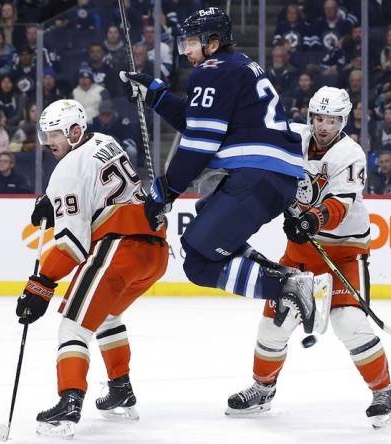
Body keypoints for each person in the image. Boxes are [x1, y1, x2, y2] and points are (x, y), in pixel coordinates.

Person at [120, 8, 326, 334]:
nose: (185, 50)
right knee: (202, 231)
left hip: (255, 175)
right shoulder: (238, 65)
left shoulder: (211, 71)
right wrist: (156, 96)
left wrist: (167, 188)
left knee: (199, 264)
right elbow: (197, 120)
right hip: (272, 175)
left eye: (190, 42)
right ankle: (286, 278)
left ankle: (288, 285)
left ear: (212, 44)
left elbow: (200, 142)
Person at [227, 87, 391, 427]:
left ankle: (384, 393)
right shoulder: (294, 137)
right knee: (273, 324)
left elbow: (340, 203)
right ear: (311, 116)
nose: (323, 126)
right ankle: (263, 390)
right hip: (301, 251)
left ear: (343, 121)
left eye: (332, 120)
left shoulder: (351, 154)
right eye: (319, 118)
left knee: (349, 323)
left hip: (346, 252)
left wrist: (311, 219)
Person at [14, 99, 169, 437]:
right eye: (45, 134)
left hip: (120, 247)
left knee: (73, 326)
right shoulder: (105, 141)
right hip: (155, 251)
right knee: (106, 316)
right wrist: (54, 204)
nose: (49, 141)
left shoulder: (65, 171)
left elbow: (73, 245)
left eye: (54, 133)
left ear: (74, 130)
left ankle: (69, 403)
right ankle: (121, 389)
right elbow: (96, 191)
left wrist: (41, 283)